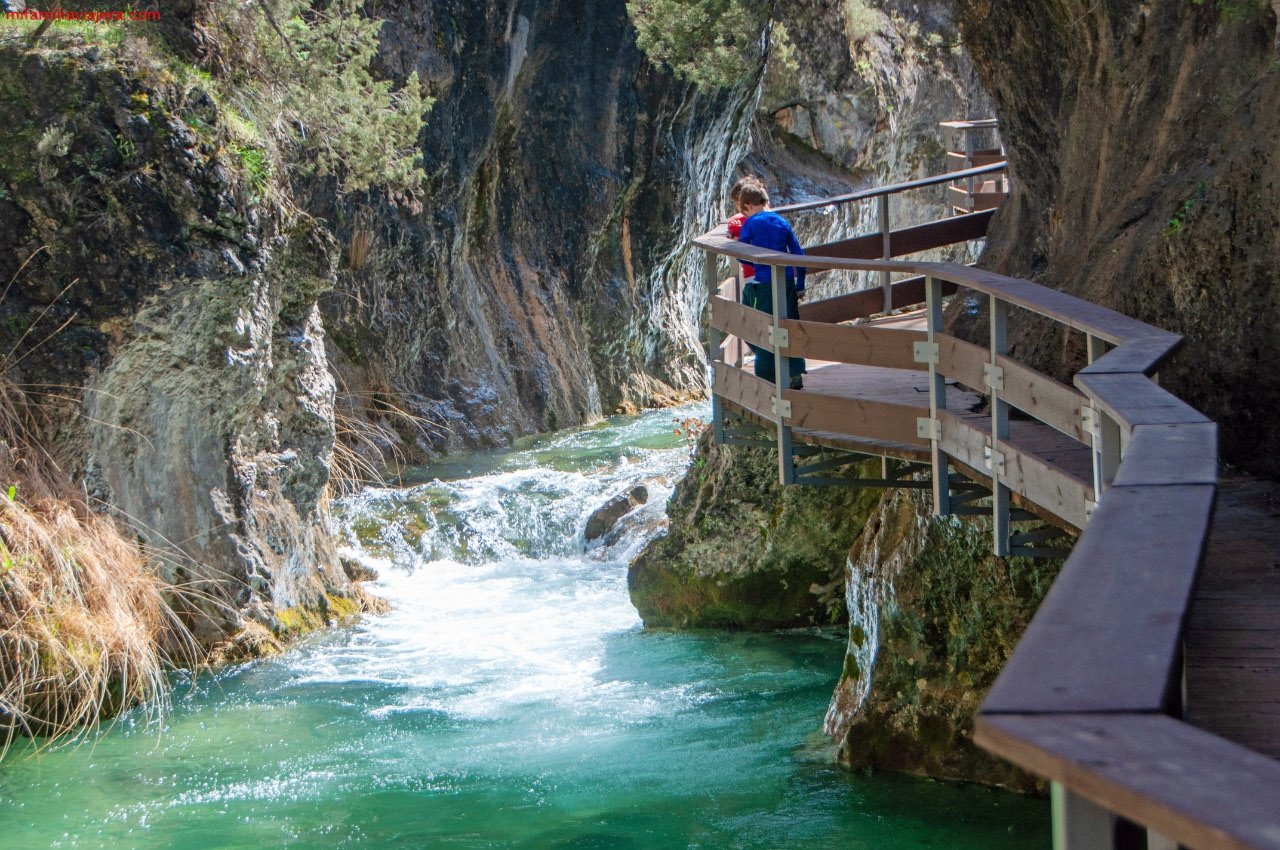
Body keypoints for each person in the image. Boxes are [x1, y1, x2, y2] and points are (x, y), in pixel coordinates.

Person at [735, 182, 806, 389]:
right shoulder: (782, 222)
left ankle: (767, 379)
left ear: (748, 206)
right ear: (765, 201)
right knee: (789, 325)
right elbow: (798, 255)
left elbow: (742, 255)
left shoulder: (751, 224)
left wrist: (755, 265)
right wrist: (800, 284)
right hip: (786, 282)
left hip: (765, 284)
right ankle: (794, 375)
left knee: (763, 326)